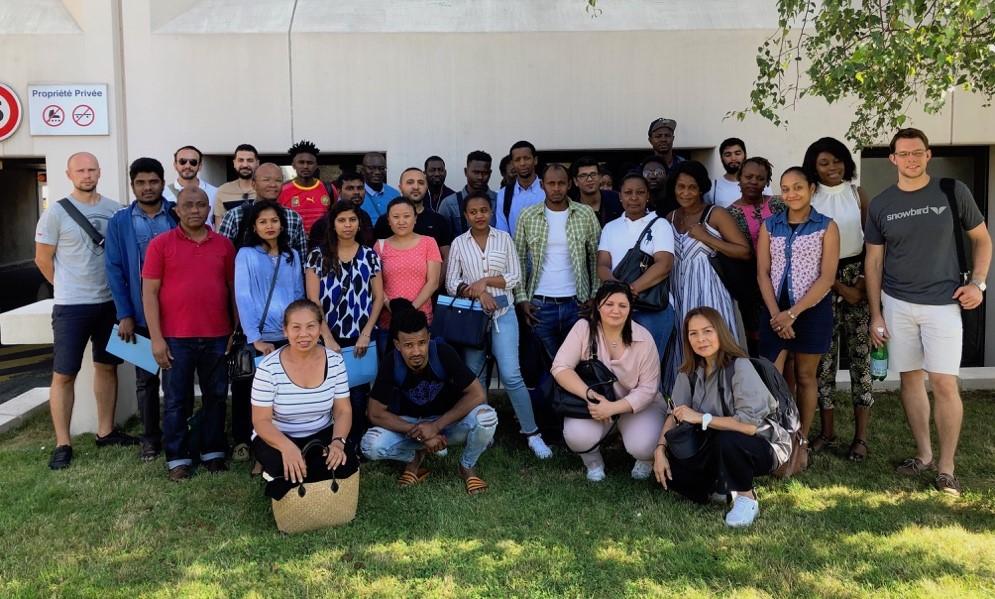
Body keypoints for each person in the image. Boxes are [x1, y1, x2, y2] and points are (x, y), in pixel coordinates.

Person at [865, 128, 991, 496]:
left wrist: (978, 284)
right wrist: (876, 314)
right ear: (893, 159)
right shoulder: (881, 204)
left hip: (944, 303)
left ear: (928, 154)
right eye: (903, 154)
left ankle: (947, 468)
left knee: (944, 383)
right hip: (897, 303)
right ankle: (923, 454)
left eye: (917, 153)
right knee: (909, 380)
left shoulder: (953, 192)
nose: (911, 160)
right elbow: (873, 263)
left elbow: (982, 240)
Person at [35, 152, 135, 469]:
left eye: (92, 169)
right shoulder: (56, 213)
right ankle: (62, 443)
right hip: (71, 307)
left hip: (109, 304)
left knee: (107, 367)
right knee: (64, 374)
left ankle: (105, 431)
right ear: (69, 174)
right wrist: (65, 286)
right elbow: (42, 259)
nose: (87, 174)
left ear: (99, 172)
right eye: (81, 170)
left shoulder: (115, 209)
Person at [654, 307, 792, 528]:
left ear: (720, 332)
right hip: (714, 441)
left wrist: (701, 418)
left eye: (707, 331)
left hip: (762, 443)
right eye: (693, 333)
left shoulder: (740, 366)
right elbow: (674, 413)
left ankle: (746, 497)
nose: (701, 339)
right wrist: (660, 449)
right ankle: (720, 486)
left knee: (727, 439)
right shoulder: (688, 371)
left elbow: (748, 426)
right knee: (674, 476)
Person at [445, 191, 553, 459]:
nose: (479, 215)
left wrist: (486, 282)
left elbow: (515, 276)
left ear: (490, 211)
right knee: (475, 375)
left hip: (503, 313)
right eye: (473, 212)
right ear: (466, 215)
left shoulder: (504, 238)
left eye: (483, 210)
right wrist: (478, 293)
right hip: (472, 318)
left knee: (511, 374)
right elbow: (451, 282)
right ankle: (483, 429)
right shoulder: (459, 242)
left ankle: (532, 433)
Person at [142, 186, 236, 481]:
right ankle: (178, 458)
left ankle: (213, 452)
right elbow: (149, 293)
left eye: (201, 205)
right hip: (175, 338)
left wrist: (234, 329)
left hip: (218, 335)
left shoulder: (224, 245)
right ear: (177, 210)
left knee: (216, 396)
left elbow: (233, 291)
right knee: (175, 400)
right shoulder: (160, 244)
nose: (195, 210)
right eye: (189, 205)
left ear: (209, 209)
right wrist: (157, 338)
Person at [361, 300, 498, 495]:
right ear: (397, 345)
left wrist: (435, 426)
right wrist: (419, 432)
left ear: (429, 338)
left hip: (447, 424)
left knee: (487, 416)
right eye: (408, 345)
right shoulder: (391, 361)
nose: (416, 351)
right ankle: (414, 457)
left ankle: (467, 466)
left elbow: (477, 393)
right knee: (369, 445)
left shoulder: (443, 352)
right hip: (410, 425)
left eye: (422, 343)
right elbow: (374, 413)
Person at [757, 167, 840, 445]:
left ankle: (801, 438)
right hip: (775, 309)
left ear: (811, 189)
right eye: (786, 188)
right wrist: (777, 316)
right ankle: (777, 435)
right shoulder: (770, 225)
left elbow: (827, 277)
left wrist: (793, 314)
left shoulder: (827, 226)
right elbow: (763, 273)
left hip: (811, 309)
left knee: (805, 376)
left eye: (798, 187)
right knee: (772, 375)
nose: (791, 194)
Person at [552, 282, 667, 481]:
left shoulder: (643, 338)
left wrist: (613, 408)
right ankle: (593, 461)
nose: (615, 310)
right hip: (596, 403)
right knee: (576, 436)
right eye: (609, 304)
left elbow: (649, 388)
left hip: (636, 406)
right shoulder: (583, 328)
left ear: (630, 308)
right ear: (598, 306)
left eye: (622, 305)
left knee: (645, 444)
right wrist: (590, 395)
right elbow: (560, 368)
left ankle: (644, 459)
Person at [804, 137, 874, 460]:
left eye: (836, 161)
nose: (831, 168)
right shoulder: (810, 196)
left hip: (858, 277)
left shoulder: (857, 194)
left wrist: (863, 282)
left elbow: (873, 242)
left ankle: (860, 437)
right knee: (825, 361)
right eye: (823, 163)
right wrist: (830, 283)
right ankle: (827, 432)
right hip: (821, 282)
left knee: (861, 359)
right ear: (813, 168)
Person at [105, 157, 178, 462]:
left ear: (163, 182)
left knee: (175, 377)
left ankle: (177, 432)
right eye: (141, 183)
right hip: (138, 311)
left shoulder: (176, 215)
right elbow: (114, 268)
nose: (148, 188)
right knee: (145, 380)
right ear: (132, 184)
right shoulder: (120, 221)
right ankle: (150, 438)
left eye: (153, 182)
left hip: (175, 312)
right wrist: (125, 314)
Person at [305, 201, 385, 451]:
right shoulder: (318, 255)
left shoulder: (369, 255)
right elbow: (313, 300)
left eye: (352, 220)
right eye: (342, 220)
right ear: (333, 224)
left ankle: (356, 443)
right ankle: (330, 441)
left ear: (359, 223)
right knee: (328, 390)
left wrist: (366, 333)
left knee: (358, 392)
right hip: (328, 335)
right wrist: (327, 337)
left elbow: (379, 297)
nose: (347, 225)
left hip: (359, 336)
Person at [665, 161, 751, 389]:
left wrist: (707, 238)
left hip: (711, 294)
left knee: (714, 345)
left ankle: (723, 404)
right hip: (680, 293)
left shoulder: (715, 214)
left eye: (692, 187)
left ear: (701, 188)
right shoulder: (670, 217)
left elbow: (743, 251)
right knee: (686, 347)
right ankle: (687, 405)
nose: (685, 192)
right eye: (680, 186)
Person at [232, 200, 305, 463]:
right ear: (254, 226)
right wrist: (256, 338)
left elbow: (298, 294)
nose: (269, 226)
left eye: (274, 220)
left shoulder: (292, 255)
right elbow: (243, 296)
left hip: (288, 336)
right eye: (263, 221)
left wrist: (296, 331)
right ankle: (246, 441)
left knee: (282, 394)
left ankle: (279, 444)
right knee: (253, 393)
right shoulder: (246, 255)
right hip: (260, 338)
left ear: (282, 224)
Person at [251, 299, 353, 485]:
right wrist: (287, 448)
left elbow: (343, 410)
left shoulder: (335, 362)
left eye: (311, 326)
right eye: (296, 327)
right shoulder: (268, 368)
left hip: (320, 431)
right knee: (287, 470)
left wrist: (338, 442)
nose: (303, 334)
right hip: (279, 435)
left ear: (320, 328)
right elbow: (261, 421)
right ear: (285, 330)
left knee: (344, 463)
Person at [514, 163, 601, 361]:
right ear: (542, 185)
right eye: (551, 183)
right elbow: (517, 259)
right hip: (539, 305)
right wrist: (522, 299)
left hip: (576, 303)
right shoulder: (527, 216)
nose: (556, 188)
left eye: (561, 183)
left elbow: (597, 257)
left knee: (577, 363)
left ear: (570, 184)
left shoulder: (585, 214)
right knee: (547, 366)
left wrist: (595, 295)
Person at [596, 173, 676, 362]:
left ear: (648, 195)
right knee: (620, 366)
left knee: (650, 367)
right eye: (628, 192)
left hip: (652, 309)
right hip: (618, 309)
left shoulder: (660, 225)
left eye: (640, 192)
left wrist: (628, 291)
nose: (634, 198)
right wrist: (619, 294)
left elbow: (664, 264)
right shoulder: (610, 227)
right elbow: (602, 264)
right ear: (620, 196)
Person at [727, 157, 785, 357]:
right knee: (757, 336)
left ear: (767, 182)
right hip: (750, 281)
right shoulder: (730, 213)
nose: (753, 181)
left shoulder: (779, 204)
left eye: (760, 178)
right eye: (748, 176)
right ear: (739, 178)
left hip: (783, 278)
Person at [374, 197, 443, 331]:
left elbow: (433, 282)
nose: (401, 222)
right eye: (395, 217)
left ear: (415, 218)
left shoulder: (428, 243)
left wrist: (410, 310)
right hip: (389, 319)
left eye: (407, 216)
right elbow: (376, 285)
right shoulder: (379, 246)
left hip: (421, 317)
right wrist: (392, 307)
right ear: (388, 220)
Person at [218, 163, 307, 258]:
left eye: (278, 180)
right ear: (253, 184)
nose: (273, 185)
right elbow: (221, 256)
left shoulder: (293, 217)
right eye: (266, 180)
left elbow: (302, 259)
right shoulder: (235, 216)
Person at [373, 167, 453, 258]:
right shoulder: (385, 221)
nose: (416, 187)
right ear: (400, 187)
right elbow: (377, 257)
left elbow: (446, 256)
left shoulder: (438, 220)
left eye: (421, 183)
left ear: (426, 187)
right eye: (410, 182)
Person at [278, 140, 336, 235]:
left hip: (322, 244)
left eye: (310, 163)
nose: (305, 166)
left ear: (316, 165)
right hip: (295, 245)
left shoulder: (329, 189)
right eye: (301, 162)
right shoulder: (283, 190)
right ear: (294, 165)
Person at [308, 170, 376, 249]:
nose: (356, 192)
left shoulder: (365, 217)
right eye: (350, 188)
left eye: (360, 188)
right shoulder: (324, 222)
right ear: (339, 191)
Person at [437, 150, 498, 237]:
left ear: (490, 173)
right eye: (476, 172)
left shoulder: (499, 200)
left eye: (484, 173)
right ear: (466, 172)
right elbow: (443, 240)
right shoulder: (449, 204)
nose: (480, 177)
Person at [704, 138, 772, 208]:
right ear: (721, 158)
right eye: (728, 155)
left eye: (737, 153)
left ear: (745, 155)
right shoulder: (712, 187)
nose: (733, 158)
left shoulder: (759, 182)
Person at [496, 140, 545, 236]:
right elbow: (502, 232)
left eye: (526, 158)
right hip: (513, 250)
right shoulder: (504, 194)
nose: (522, 163)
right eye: (517, 160)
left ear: (535, 160)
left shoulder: (547, 189)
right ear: (512, 163)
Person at [162, 145, 217, 228]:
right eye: (182, 161)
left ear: (200, 166)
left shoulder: (215, 192)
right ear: (175, 165)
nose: (187, 166)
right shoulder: (163, 193)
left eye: (193, 162)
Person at [213, 143, 259, 228]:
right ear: (234, 163)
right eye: (241, 160)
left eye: (250, 160)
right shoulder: (223, 190)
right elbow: (219, 227)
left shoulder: (265, 189)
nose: (245, 165)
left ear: (257, 163)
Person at [572, 156, 623, 226]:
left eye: (593, 174)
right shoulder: (572, 209)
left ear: (600, 177)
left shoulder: (616, 199)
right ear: (575, 181)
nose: (589, 179)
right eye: (583, 175)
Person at [360, 152, 400, 221]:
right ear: (363, 170)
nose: (377, 172)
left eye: (381, 168)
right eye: (371, 168)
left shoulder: (395, 195)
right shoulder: (354, 193)